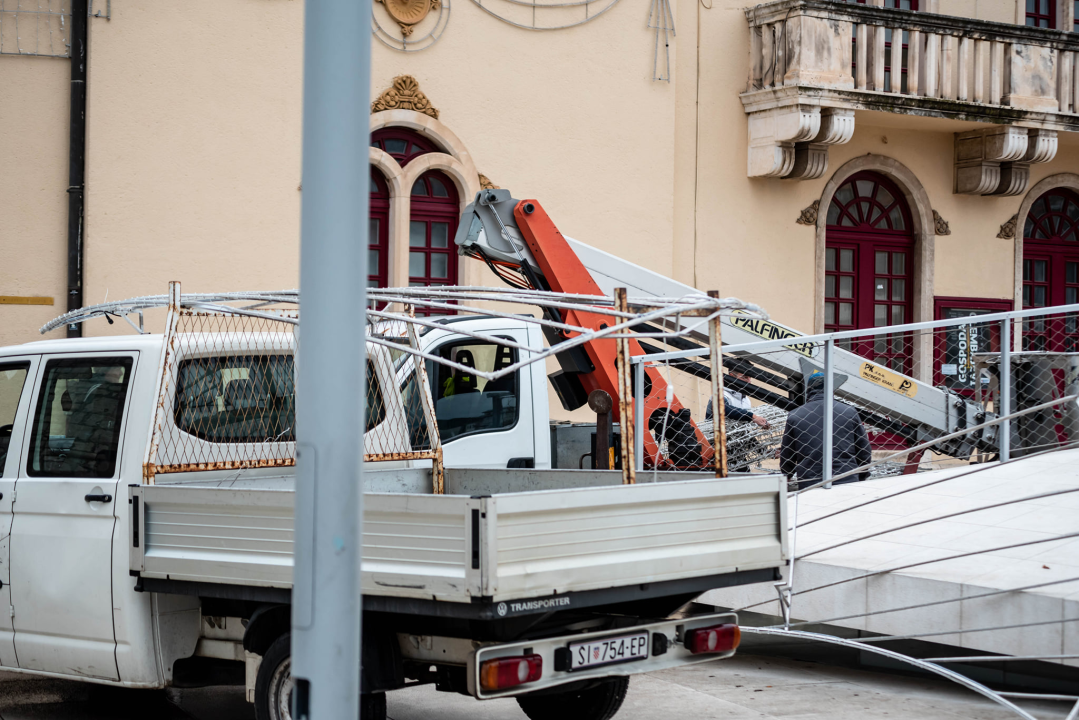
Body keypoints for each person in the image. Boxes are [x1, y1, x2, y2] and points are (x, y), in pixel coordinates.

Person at [779, 372, 872, 490]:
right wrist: (861, 474)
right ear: (831, 388)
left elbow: (788, 453)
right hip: (846, 479)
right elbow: (864, 449)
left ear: (809, 389)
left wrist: (787, 474)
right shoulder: (849, 412)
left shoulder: (795, 415)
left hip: (810, 481)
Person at [705, 358, 769, 428]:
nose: (749, 382)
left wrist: (760, 422)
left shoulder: (746, 400)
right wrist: (752, 417)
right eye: (745, 377)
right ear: (731, 376)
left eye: (750, 378)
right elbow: (723, 408)